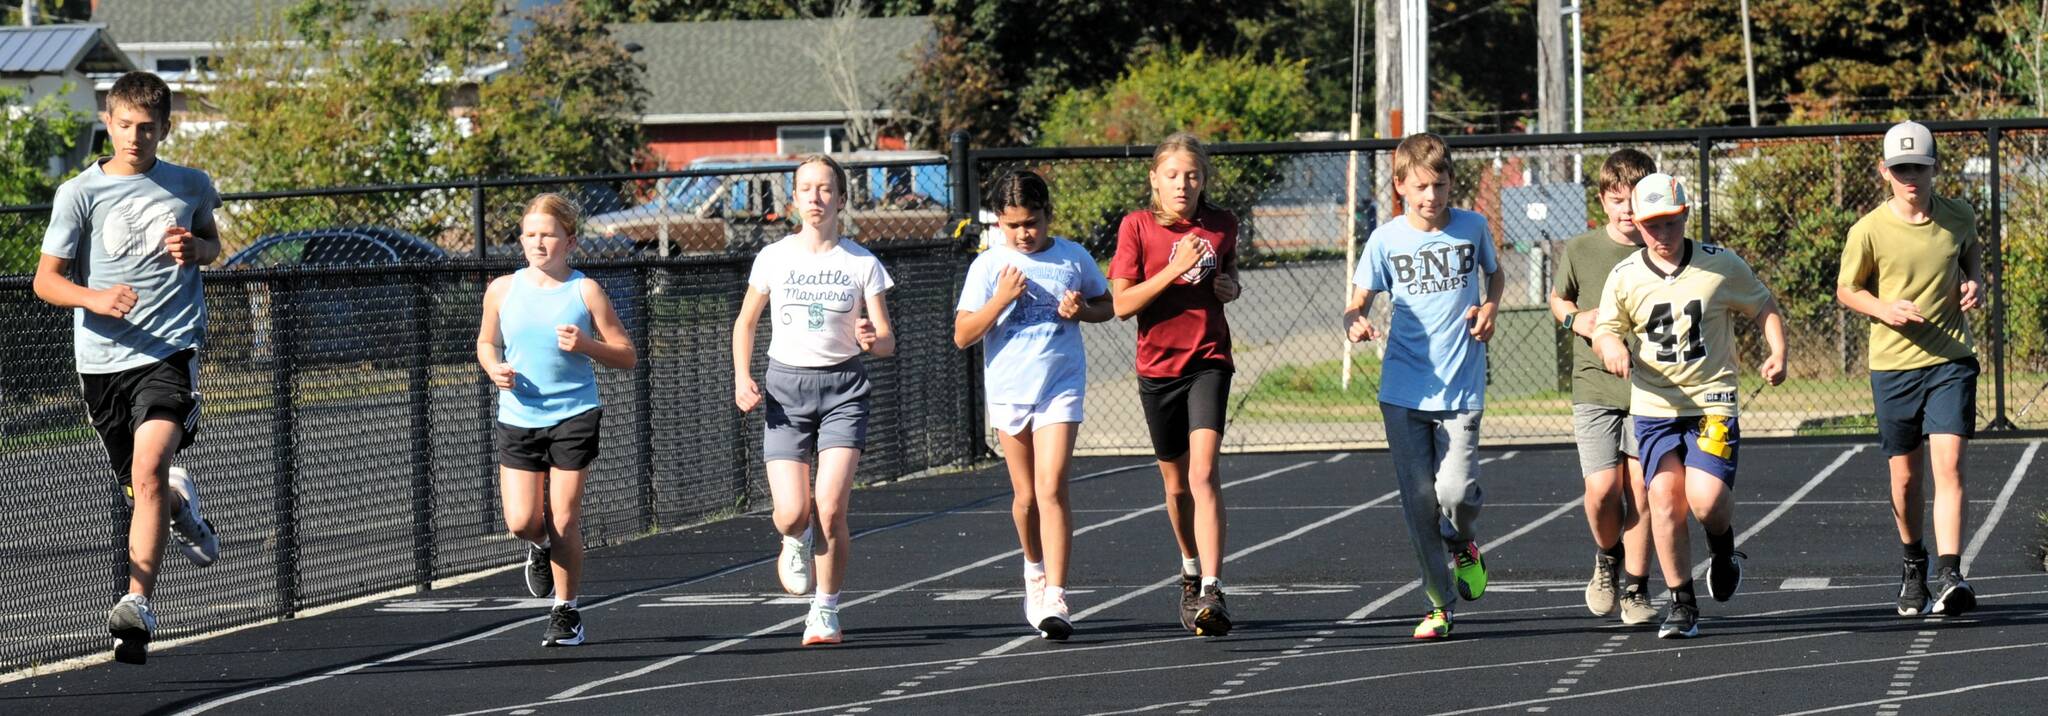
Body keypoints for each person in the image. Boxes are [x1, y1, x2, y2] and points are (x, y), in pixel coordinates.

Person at [32, 70, 223, 665]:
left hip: (170, 349)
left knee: (147, 470)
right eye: (123, 126)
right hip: (101, 362)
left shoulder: (190, 184)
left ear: (165, 128)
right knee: (142, 485)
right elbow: (46, 281)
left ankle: (137, 604)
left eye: (147, 128)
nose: (135, 137)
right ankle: (180, 505)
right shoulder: (78, 194)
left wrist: (199, 250)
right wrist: (94, 297)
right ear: (107, 124)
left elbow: (212, 243)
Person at [1593, 172, 1788, 639]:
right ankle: (1682, 602)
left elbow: (1764, 305)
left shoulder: (1720, 265)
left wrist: (1777, 351)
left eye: (1670, 223)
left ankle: (1722, 549)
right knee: (1662, 498)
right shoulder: (1624, 276)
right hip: (1655, 408)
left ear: (1684, 216)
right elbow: (1604, 328)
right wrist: (1612, 346)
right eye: (1651, 225)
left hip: (1712, 403)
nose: (1662, 235)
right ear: (1637, 225)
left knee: (1706, 501)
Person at [732, 155, 896, 646]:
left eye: (825, 189)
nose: (816, 198)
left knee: (830, 508)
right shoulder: (774, 257)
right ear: (794, 200)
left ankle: (825, 610)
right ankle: (792, 538)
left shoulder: (862, 262)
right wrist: (743, 377)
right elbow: (745, 322)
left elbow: (886, 339)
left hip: (844, 390)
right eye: (806, 189)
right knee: (792, 511)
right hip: (786, 390)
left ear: (841, 199)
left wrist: (872, 338)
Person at [1343, 132, 1501, 640]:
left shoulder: (1472, 228)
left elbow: (1494, 277)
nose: (1432, 196)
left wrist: (1491, 307)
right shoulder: (1385, 240)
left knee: (1454, 493)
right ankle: (1439, 604)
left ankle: (1464, 544)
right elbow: (1357, 299)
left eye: (1440, 185)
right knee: (1418, 505)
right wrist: (1356, 321)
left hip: (1461, 388)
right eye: (1421, 187)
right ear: (1400, 187)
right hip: (1404, 390)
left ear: (1452, 181)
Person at [954, 170, 1113, 641]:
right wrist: (1000, 299)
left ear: (1048, 217)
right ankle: (1034, 569)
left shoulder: (1071, 257)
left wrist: (1082, 310)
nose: (1024, 233)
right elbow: (963, 334)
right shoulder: (988, 267)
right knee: (1025, 498)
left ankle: (1057, 595)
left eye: (1032, 223)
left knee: (1052, 487)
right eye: (1013, 225)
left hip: (1059, 385)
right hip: (1009, 389)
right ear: (999, 224)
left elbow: (1107, 304)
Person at [1835, 120, 1985, 617]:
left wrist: (1974, 284)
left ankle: (1949, 571)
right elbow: (1846, 289)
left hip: (1950, 361)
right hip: (1893, 366)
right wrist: (1885, 309)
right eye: (1901, 170)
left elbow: (1971, 256)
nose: (1911, 178)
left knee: (1949, 466)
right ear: (1884, 171)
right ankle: (1912, 564)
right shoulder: (1869, 230)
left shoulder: (1959, 216)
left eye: (1919, 167)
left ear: (1934, 167)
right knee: (1905, 480)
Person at [477, 193, 637, 647]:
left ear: (570, 241)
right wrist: (494, 367)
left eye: (548, 234)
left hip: (574, 414)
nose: (537, 242)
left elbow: (627, 355)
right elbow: (486, 343)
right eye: (530, 234)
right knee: (523, 520)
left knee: (563, 516)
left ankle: (565, 611)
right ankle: (540, 548)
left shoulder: (585, 290)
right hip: (519, 415)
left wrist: (587, 345)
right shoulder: (502, 289)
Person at [1109, 132, 1242, 637]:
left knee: (1204, 474)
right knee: (1175, 483)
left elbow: (1228, 275)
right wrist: (1174, 269)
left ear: (1203, 179)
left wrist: (1231, 285)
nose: (1182, 184)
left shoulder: (1223, 224)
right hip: (1157, 368)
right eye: (1172, 175)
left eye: (1191, 175)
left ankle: (1212, 586)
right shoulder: (1137, 227)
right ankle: (1189, 568)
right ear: (1155, 181)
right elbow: (1123, 305)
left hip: (1209, 360)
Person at [1549, 149, 1660, 626]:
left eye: (1635, 199)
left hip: (1652, 388)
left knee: (1642, 490)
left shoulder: (1664, 245)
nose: (1628, 211)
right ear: (1603, 200)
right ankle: (1606, 557)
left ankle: (1636, 588)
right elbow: (1558, 299)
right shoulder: (1581, 250)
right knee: (1600, 490)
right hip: (1594, 386)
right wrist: (1577, 320)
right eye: (1618, 200)